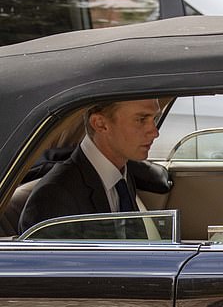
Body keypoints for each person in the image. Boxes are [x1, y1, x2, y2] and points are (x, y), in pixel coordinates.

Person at [18, 99, 161, 237]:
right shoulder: (53, 198)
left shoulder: (120, 175)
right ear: (100, 124)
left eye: (154, 119)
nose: (155, 133)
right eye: (141, 120)